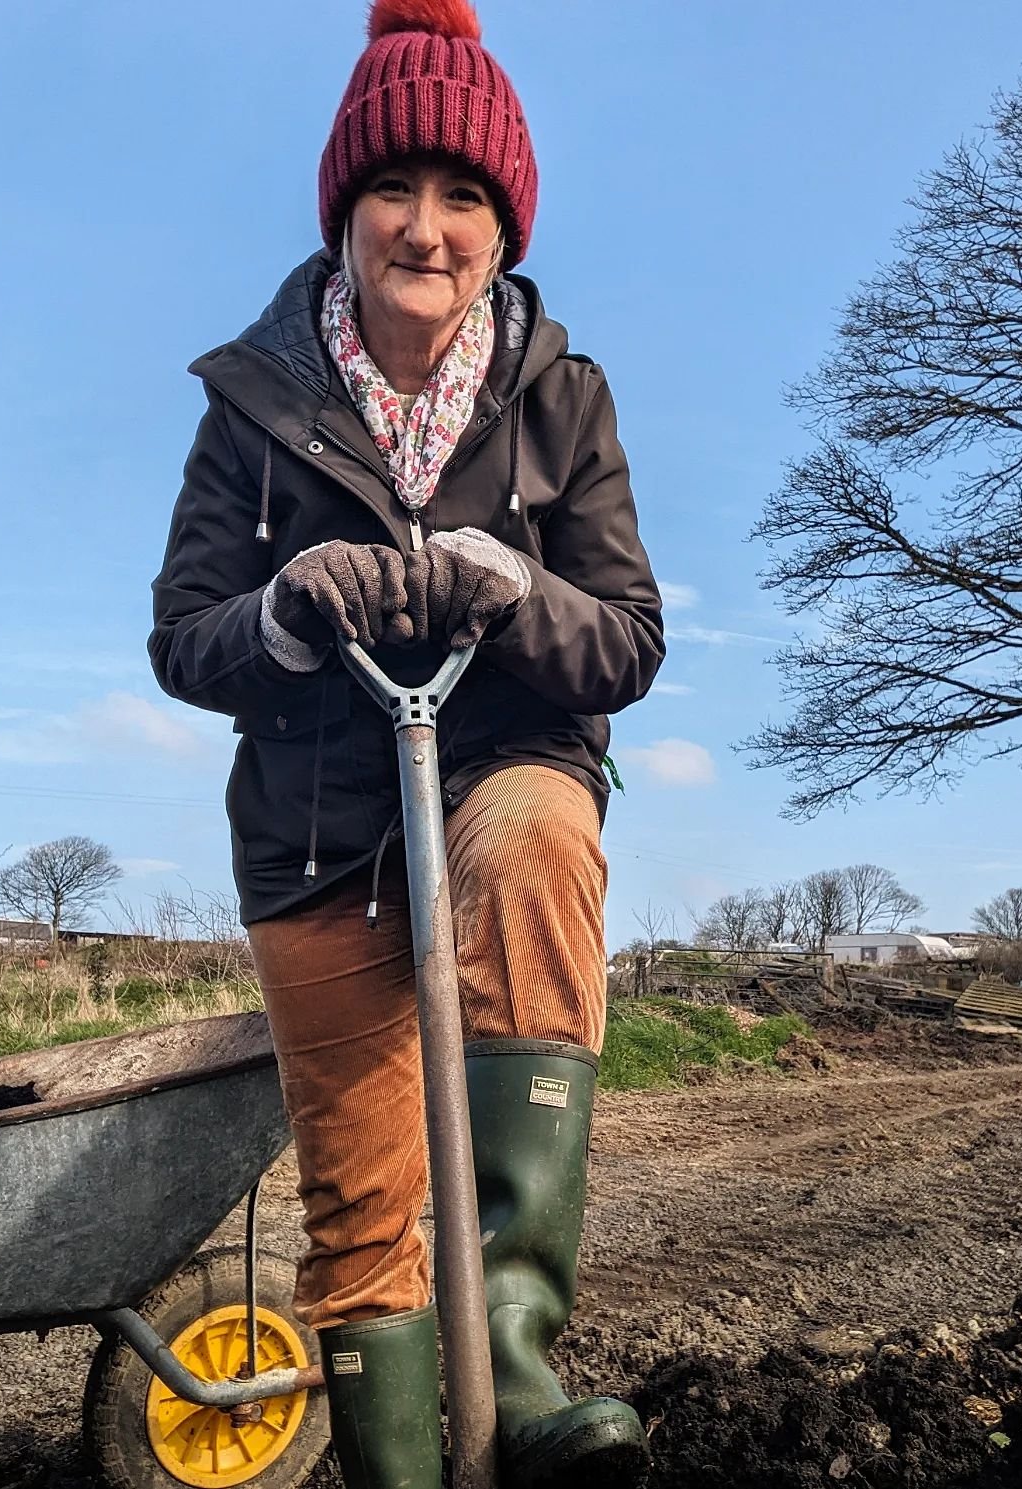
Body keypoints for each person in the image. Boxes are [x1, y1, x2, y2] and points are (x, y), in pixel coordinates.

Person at [149, 1, 664, 1484]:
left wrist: (514, 590)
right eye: (394, 189)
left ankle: (510, 1336)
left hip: (498, 764)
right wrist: (287, 615)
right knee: (363, 1204)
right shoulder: (253, 404)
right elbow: (186, 637)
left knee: (535, 836)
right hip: (315, 830)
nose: (424, 227)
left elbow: (624, 643)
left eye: (462, 197)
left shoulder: (561, 394)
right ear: (345, 210)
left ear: (503, 229)